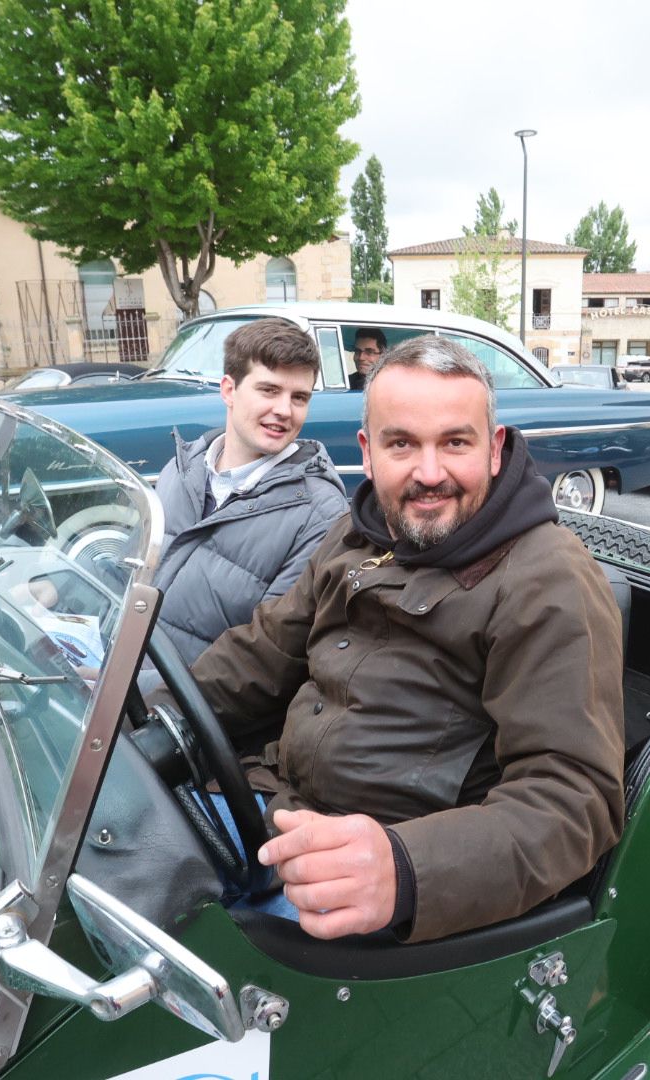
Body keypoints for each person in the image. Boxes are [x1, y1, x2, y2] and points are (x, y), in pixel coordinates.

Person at [188, 335, 625, 943]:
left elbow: (576, 800)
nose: (429, 473)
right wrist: (150, 716)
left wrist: (405, 871)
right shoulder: (360, 532)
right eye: (402, 444)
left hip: (374, 892)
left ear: (494, 449)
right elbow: (262, 652)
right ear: (367, 453)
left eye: (455, 442)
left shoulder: (548, 580)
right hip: (267, 808)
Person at [150, 318, 348, 668]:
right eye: (269, 390)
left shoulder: (319, 515)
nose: (284, 410)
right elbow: (135, 568)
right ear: (228, 390)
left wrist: (140, 695)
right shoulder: (181, 469)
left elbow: (262, 660)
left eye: (299, 397)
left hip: (175, 708)